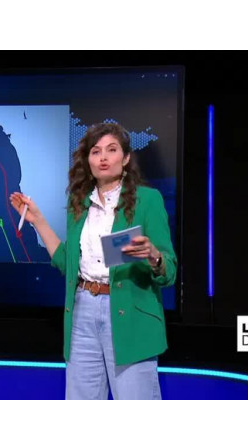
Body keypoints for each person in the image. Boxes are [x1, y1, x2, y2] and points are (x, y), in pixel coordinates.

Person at [10, 122, 177, 400]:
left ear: (125, 158)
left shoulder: (148, 200)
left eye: (111, 150)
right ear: (88, 161)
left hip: (129, 312)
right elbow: (67, 264)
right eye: (96, 151)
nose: (103, 157)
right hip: (82, 311)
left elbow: (169, 271)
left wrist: (153, 256)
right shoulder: (79, 204)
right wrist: (38, 221)